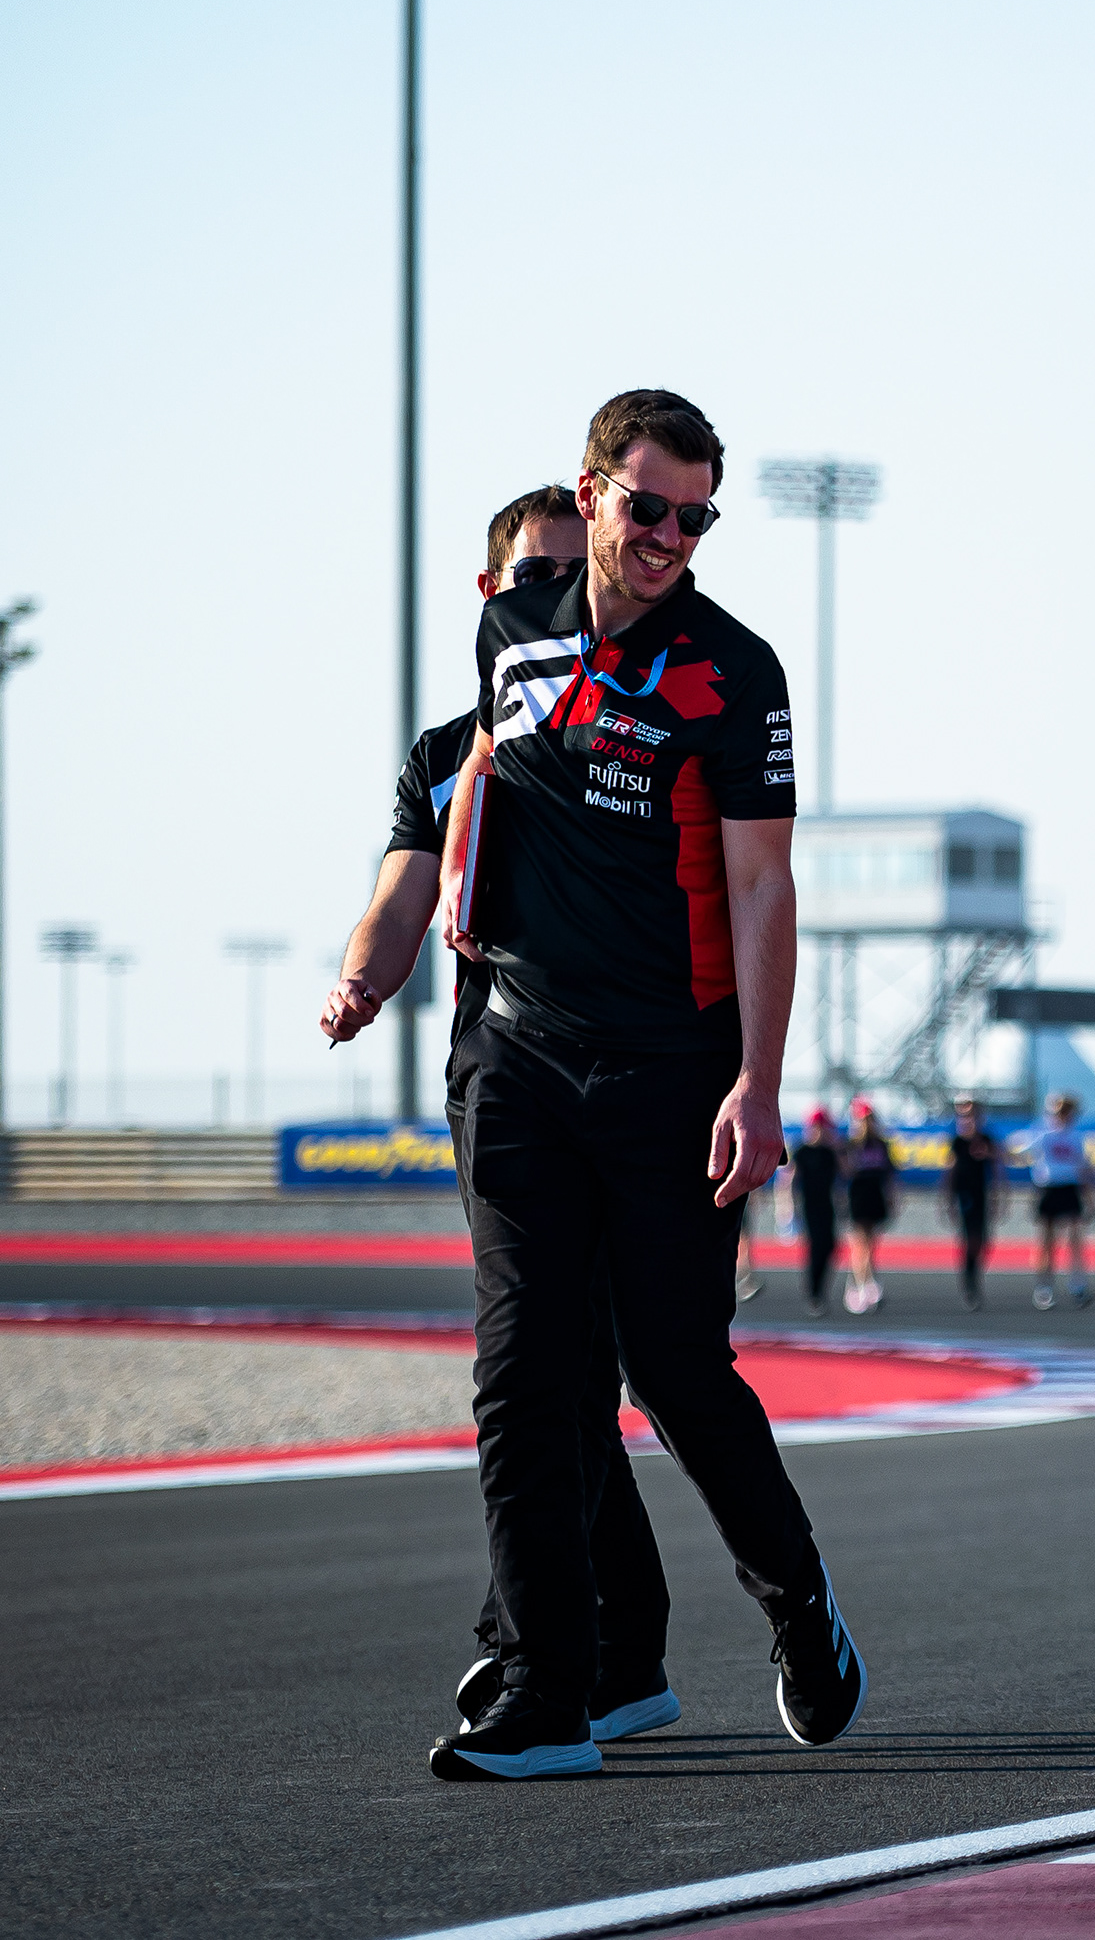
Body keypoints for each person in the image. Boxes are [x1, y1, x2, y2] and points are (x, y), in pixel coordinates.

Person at [419, 385, 865, 1780]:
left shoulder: (737, 671)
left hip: (673, 1069)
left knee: (674, 1366)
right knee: (526, 1370)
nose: (671, 535)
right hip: (519, 1054)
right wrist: (443, 900)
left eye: (697, 516)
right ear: (592, 490)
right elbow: (480, 775)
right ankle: (550, 1689)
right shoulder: (513, 626)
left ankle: (798, 1599)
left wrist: (759, 1084)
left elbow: (764, 886)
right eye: (649, 506)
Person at [329, 487, 689, 1751]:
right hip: (506, 1085)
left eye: (572, 572)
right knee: (550, 1370)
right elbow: (402, 891)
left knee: (574, 1372)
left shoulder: (655, 724)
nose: (556, 593)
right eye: (532, 575)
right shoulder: (443, 752)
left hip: (636, 1089)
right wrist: (361, 978)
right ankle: (598, 1655)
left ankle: (574, 1649)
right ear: (491, 597)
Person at [1026, 1093, 1095, 1306]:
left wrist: (1093, 1199)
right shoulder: (1043, 1134)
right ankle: (1044, 1288)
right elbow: (1021, 1151)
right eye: (1060, 1111)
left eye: (1068, 1111)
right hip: (1049, 1188)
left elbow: (1083, 1169)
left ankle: (1077, 1285)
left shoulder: (1075, 1137)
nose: (1064, 1116)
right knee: (1047, 1241)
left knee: (1075, 1239)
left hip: (1069, 1188)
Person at [840, 1097, 897, 1313]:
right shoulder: (850, 1145)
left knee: (871, 1242)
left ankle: (866, 1281)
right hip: (858, 1196)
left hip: (875, 1195)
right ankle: (862, 1284)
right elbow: (846, 1172)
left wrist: (892, 1197)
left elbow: (890, 1174)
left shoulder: (881, 1144)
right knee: (859, 1242)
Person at [946, 1097, 1003, 1308]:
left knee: (983, 1240)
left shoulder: (987, 1140)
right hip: (964, 1194)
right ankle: (970, 1283)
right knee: (970, 1238)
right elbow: (950, 1171)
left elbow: (997, 1169)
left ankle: (974, 1273)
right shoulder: (958, 1142)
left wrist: (999, 1196)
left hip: (982, 1194)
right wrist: (947, 1200)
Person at [787, 1107, 844, 1315]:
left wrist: (837, 1147)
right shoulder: (802, 1151)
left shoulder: (830, 1152)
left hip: (828, 1205)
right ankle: (814, 1292)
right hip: (808, 1206)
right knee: (816, 1246)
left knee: (830, 1246)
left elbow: (846, 1172)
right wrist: (788, 1207)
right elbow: (790, 1180)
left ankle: (820, 1289)